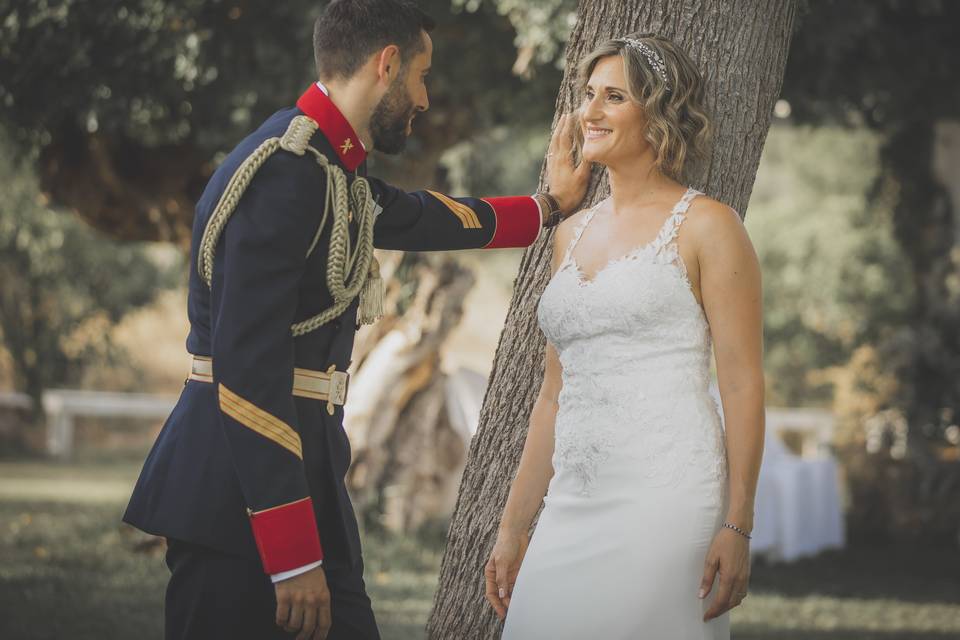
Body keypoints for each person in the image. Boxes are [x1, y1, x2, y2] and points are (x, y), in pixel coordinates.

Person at [122, 1, 589, 639]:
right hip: (237, 498)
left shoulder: (327, 170)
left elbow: (419, 215)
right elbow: (247, 372)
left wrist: (547, 207)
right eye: (422, 77)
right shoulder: (282, 174)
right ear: (386, 63)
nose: (424, 98)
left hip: (298, 477)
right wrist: (290, 556)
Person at [486, 33, 765, 639]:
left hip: (667, 496)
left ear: (658, 114)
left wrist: (738, 523)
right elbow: (552, 397)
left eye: (614, 97)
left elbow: (742, 381)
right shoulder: (571, 233)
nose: (590, 112)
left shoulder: (710, 226)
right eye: (588, 95)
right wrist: (513, 528)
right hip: (572, 499)